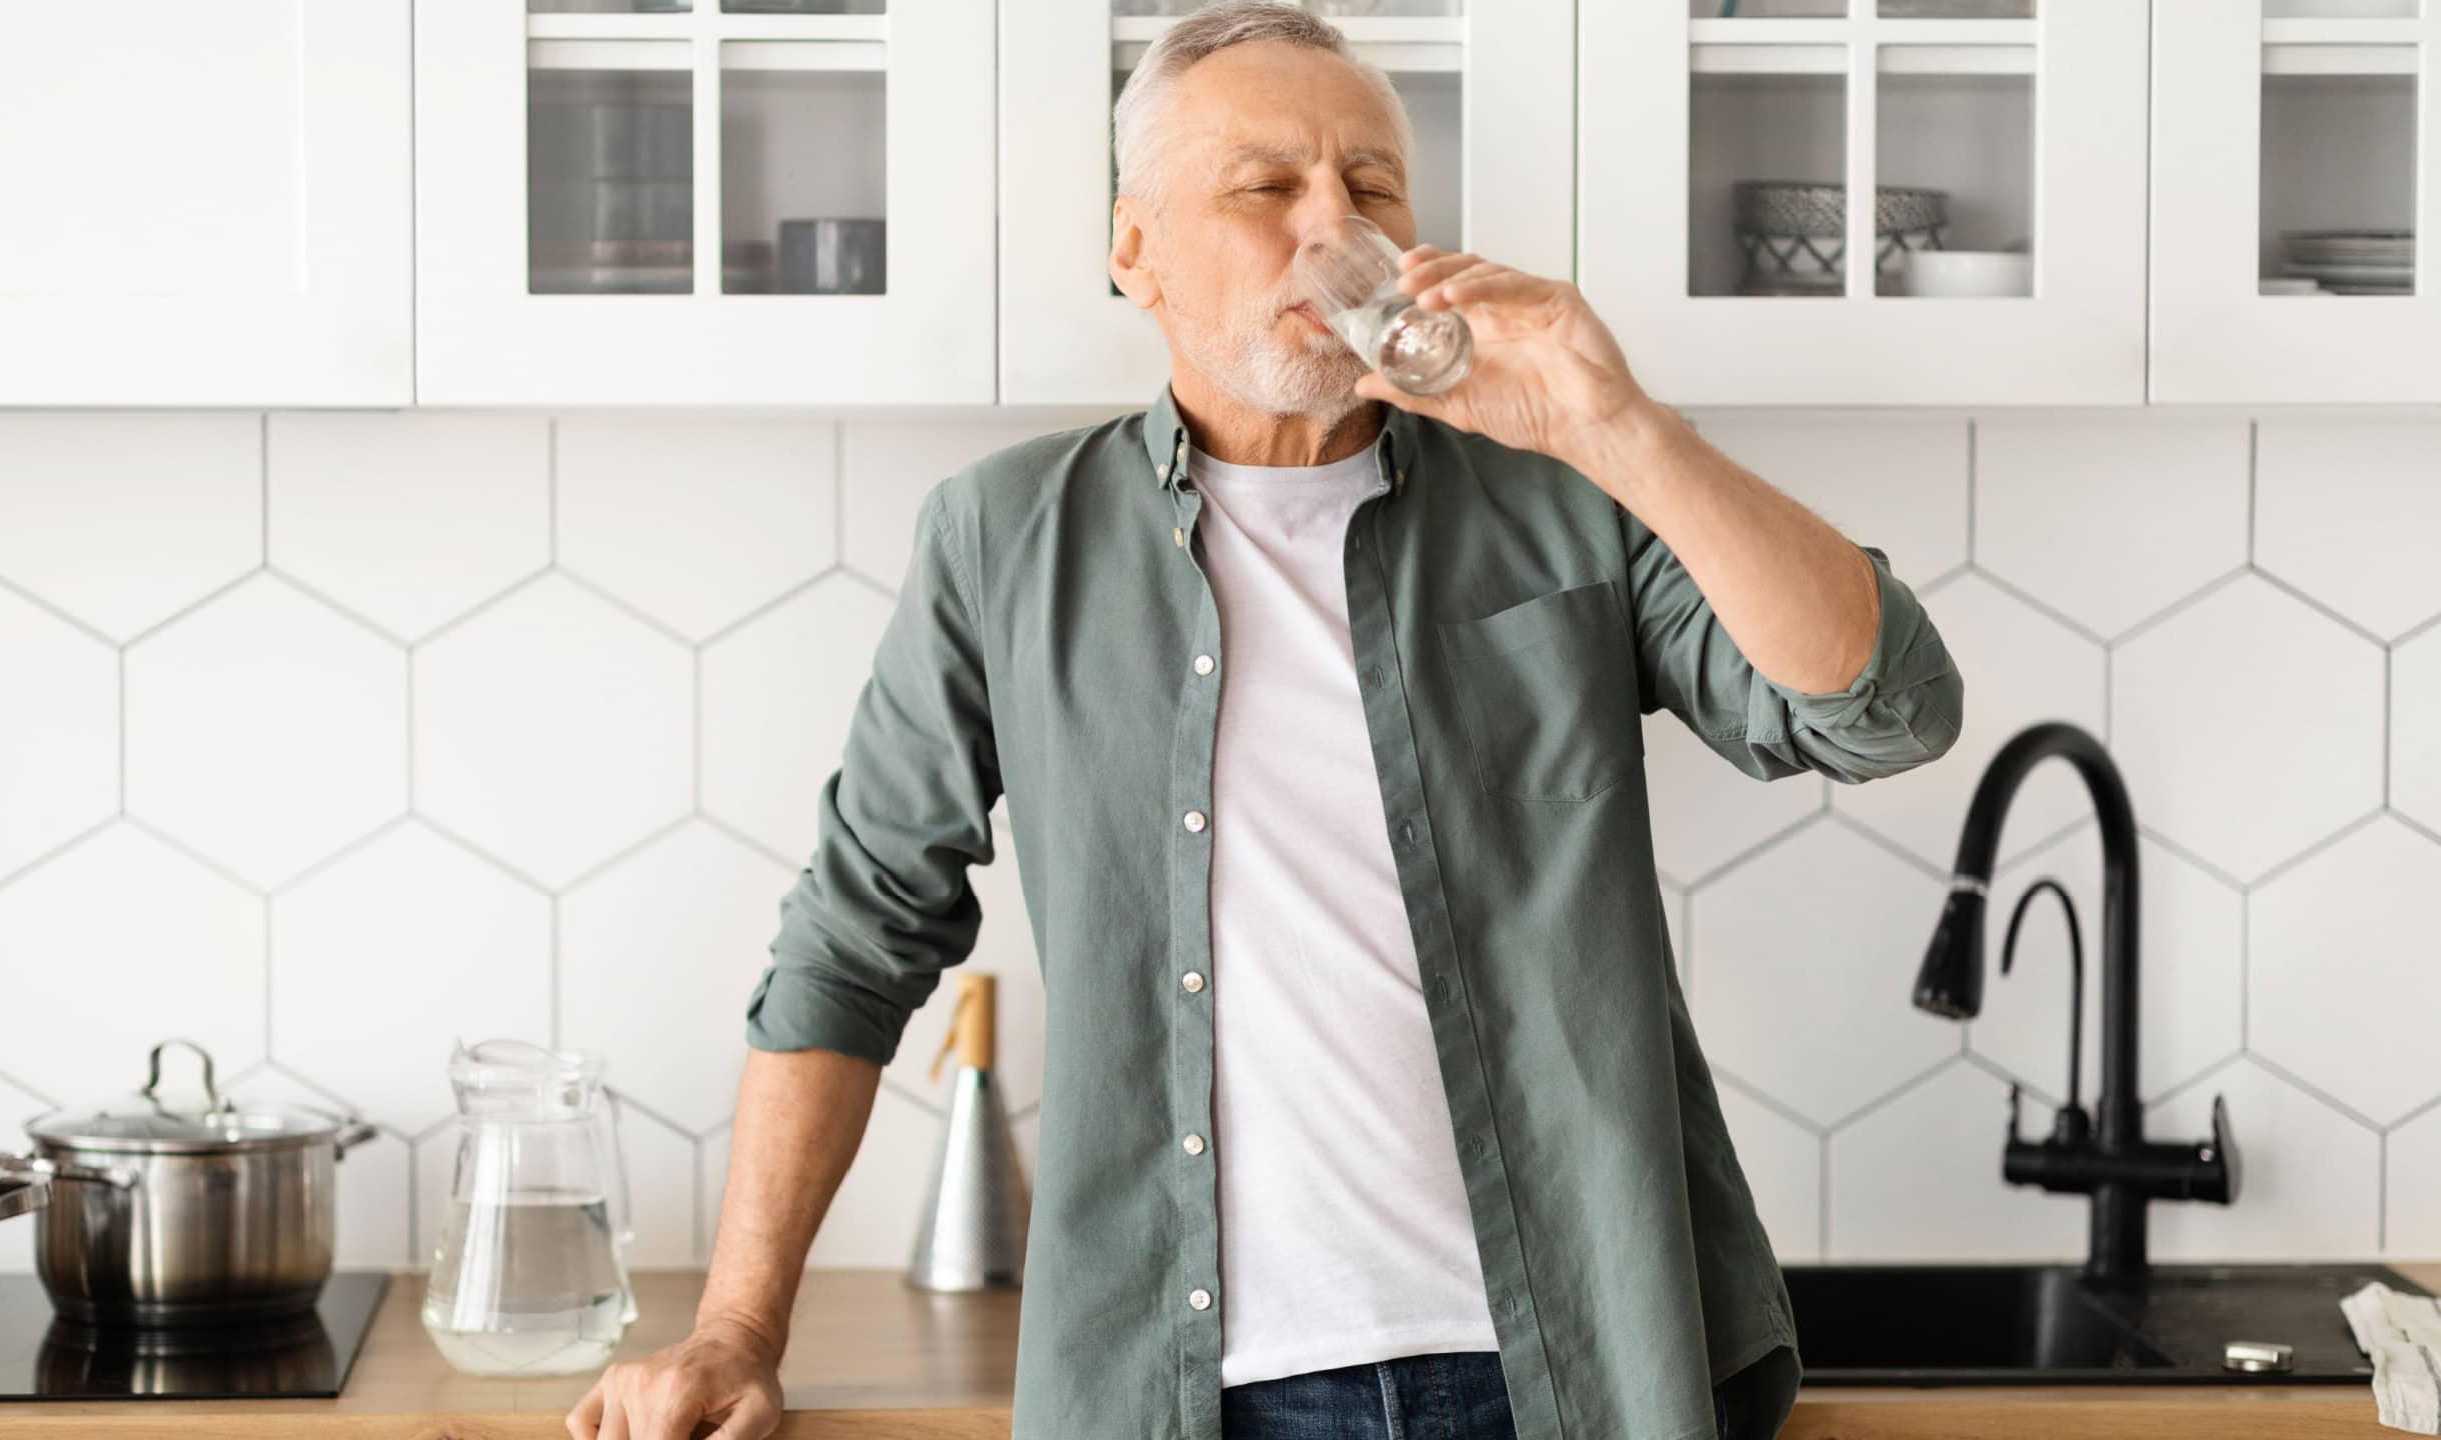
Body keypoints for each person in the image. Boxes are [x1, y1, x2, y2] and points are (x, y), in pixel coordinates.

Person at [567, 3, 1964, 1437]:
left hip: (1576, 1372)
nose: (1329, 226)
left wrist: (1617, 425)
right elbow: (856, 938)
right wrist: (737, 1330)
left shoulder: (1566, 503)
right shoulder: (1004, 540)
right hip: (1194, 1395)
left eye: (1370, 188)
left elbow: (1883, 712)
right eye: (1265, 187)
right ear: (1135, 250)